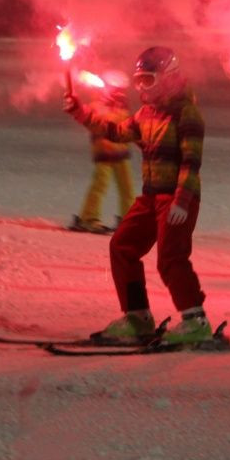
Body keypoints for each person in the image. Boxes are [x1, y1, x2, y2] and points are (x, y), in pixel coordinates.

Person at [63, 46, 212, 344]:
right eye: (139, 80)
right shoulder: (146, 113)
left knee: (171, 258)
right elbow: (118, 132)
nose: (142, 87)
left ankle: (196, 321)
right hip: (152, 196)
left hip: (177, 198)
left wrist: (182, 200)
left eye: (149, 79)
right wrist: (81, 112)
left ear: (168, 78)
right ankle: (137, 317)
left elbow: (190, 161)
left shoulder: (187, 113)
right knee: (122, 246)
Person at [69, 70, 136, 234]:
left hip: (120, 152)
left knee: (127, 187)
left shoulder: (121, 107)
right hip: (105, 152)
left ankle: (129, 220)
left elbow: (126, 126)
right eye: (118, 90)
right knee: (100, 185)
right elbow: (98, 122)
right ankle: (88, 218)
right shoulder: (98, 105)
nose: (121, 93)